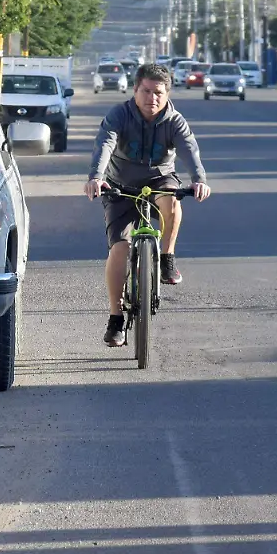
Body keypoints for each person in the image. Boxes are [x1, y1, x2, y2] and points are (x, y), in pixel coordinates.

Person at [84, 63, 212, 347]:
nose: (151, 97)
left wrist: (199, 179)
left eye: (158, 92)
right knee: (120, 248)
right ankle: (116, 318)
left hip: (160, 180)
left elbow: (189, 149)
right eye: (146, 90)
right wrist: (96, 177)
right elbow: (105, 143)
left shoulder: (174, 120)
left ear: (166, 94)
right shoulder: (119, 115)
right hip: (120, 187)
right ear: (135, 90)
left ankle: (167, 258)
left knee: (172, 199)